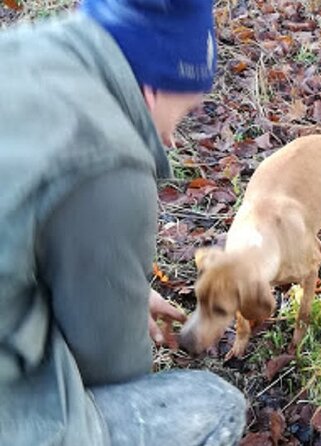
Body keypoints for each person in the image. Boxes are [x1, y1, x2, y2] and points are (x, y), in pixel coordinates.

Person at [0, 0, 247, 444]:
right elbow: (111, 370)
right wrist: (118, 311)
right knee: (215, 405)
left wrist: (113, 283)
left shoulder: (21, 52)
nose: (171, 138)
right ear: (150, 87)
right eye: (183, 113)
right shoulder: (109, 164)